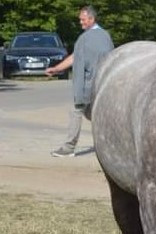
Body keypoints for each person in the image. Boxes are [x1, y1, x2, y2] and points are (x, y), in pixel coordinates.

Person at [46, 5, 114, 157]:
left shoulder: (84, 38)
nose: (81, 23)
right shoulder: (106, 35)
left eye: (83, 20)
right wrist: (57, 69)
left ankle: (69, 148)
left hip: (89, 86)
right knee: (97, 115)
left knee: (78, 111)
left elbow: (76, 58)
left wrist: (56, 69)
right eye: (80, 20)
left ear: (91, 19)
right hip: (106, 84)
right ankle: (113, 144)